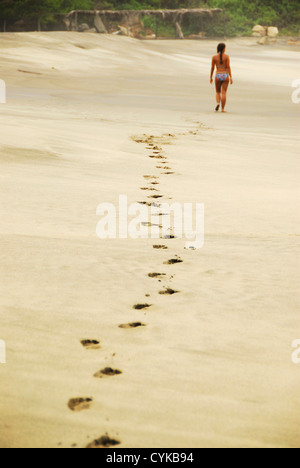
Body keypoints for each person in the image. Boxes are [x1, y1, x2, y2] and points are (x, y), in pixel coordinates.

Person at [210, 43, 233, 112]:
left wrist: (211, 77)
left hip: (218, 75)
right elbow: (228, 66)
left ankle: (218, 103)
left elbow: (212, 68)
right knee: (224, 92)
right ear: (223, 49)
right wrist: (231, 77)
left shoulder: (214, 57)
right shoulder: (226, 56)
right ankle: (222, 109)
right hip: (225, 75)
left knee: (217, 92)